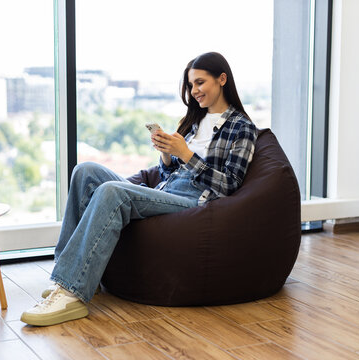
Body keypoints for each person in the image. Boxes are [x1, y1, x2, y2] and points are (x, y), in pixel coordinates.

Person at [20, 52, 258, 326]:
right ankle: (66, 275)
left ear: (222, 79)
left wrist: (188, 155)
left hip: (195, 202)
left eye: (200, 83)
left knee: (112, 192)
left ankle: (71, 293)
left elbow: (229, 185)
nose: (194, 92)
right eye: (191, 85)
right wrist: (168, 156)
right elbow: (169, 174)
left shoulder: (242, 128)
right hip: (168, 191)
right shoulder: (194, 122)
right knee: (84, 171)